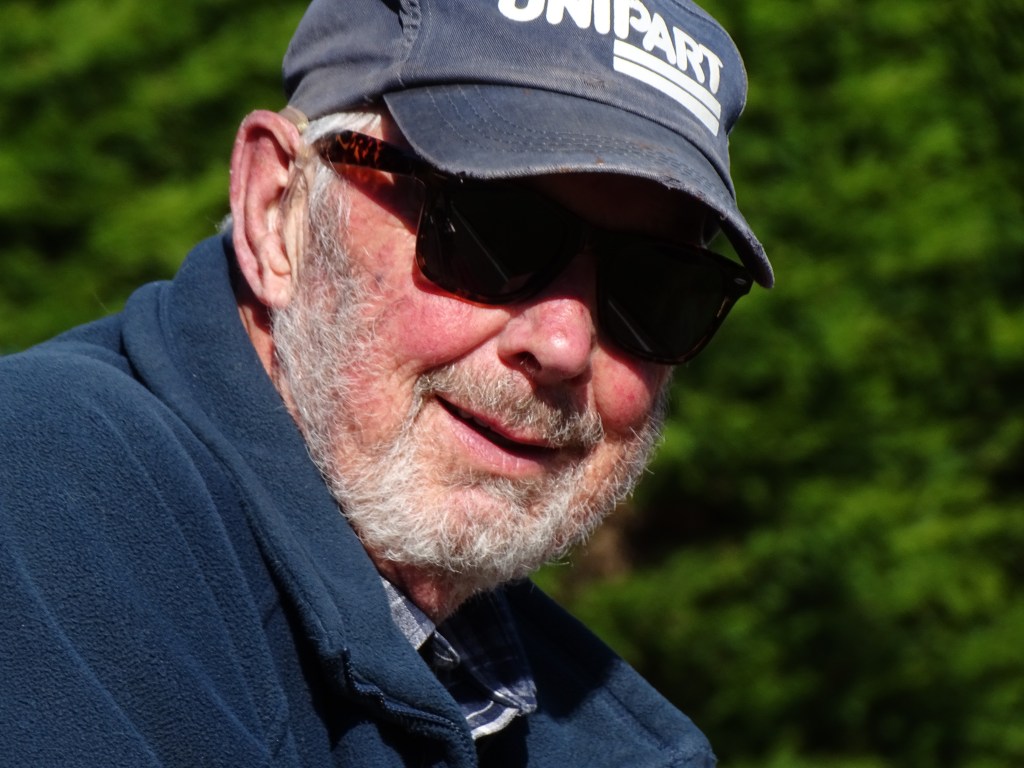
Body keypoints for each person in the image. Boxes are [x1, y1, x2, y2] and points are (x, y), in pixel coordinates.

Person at [0, 0, 773, 764]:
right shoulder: (50, 491)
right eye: (490, 232)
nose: (565, 344)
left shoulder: (611, 738)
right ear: (274, 210)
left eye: (652, 287)